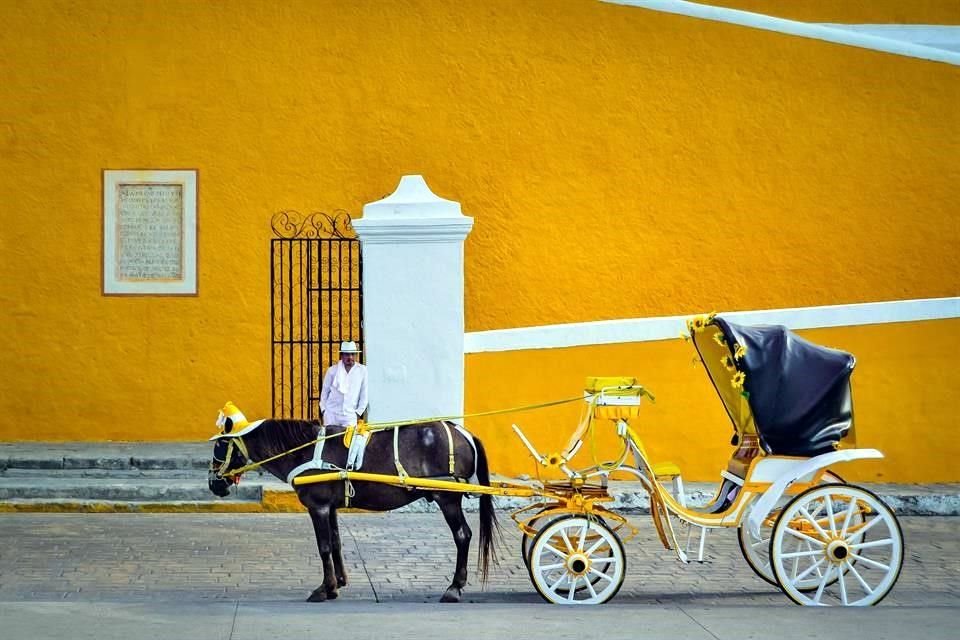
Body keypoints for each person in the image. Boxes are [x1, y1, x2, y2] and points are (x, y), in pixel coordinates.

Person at [319, 341, 368, 427]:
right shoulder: (332, 370)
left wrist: (358, 413)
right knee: (330, 439)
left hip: (350, 415)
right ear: (342, 355)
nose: (350, 357)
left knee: (349, 440)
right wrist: (324, 410)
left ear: (356, 355)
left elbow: (364, 394)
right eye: (347, 354)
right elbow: (324, 393)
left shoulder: (362, 370)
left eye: (353, 354)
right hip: (331, 414)